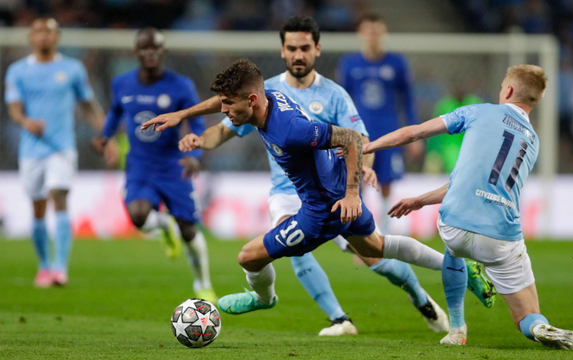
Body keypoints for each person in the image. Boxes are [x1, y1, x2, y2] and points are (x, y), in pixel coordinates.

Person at [141, 59, 493, 333]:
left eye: (230, 105)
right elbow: (221, 102)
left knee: (248, 257)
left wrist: (353, 193)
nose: (224, 112)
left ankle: (264, 299)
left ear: (251, 100)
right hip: (337, 193)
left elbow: (352, 139)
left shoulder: (290, 129)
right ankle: (459, 264)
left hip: (321, 210)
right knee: (378, 247)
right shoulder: (270, 97)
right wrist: (182, 115)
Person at [364, 64, 573, 350]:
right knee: (526, 315)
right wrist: (420, 199)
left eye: (501, 87)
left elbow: (414, 133)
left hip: (454, 225)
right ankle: (539, 327)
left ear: (508, 90)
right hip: (500, 237)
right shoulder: (533, 142)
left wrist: (369, 147)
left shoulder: (478, 111)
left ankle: (457, 329)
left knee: (454, 249)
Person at [92, 28, 216, 302]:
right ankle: (163, 227)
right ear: (136, 52)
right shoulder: (122, 83)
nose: (151, 53)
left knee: (188, 229)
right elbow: (115, 111)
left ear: (163, 52)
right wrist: (105, 135)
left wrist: (194, 154)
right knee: (137, 216)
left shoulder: (180, 85)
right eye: (145, 48)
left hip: (173, 165)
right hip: (139, 165)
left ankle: (203, 284)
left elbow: (195, 121)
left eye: (156, 48)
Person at [4, 18, 116, 288]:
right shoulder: (17, 71)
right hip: (31, 149)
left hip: (62, 146)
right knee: (38, 207)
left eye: (49, 32)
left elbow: (88, 105)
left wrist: (107, 136)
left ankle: (59, 269)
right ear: (31, 37)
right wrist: (25, 122)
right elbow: (14, 107)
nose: (44, 36)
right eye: (39, 31)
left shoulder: (72, 69)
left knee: (59, 196)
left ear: (57, 37)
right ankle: (44, 266)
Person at [337, 13, 423, 234]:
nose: (372, 36)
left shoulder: (396, 63)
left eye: (376, 31)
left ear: (383, 33)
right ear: (361, 33)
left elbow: (408, 100)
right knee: (358, 182)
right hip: (360, 134)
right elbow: (341, 101)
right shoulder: (349, 64)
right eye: (368, 31)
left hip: (389, 133)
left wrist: (415, 137)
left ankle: (383, 235)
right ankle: (360, 234)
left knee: (386, 184)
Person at [427, 78, 482, 174]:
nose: (460, 89)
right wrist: (433, 152)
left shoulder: (476, 104)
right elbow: (435, 135)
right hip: (448, 152)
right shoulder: (444, 106)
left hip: (471, 152)